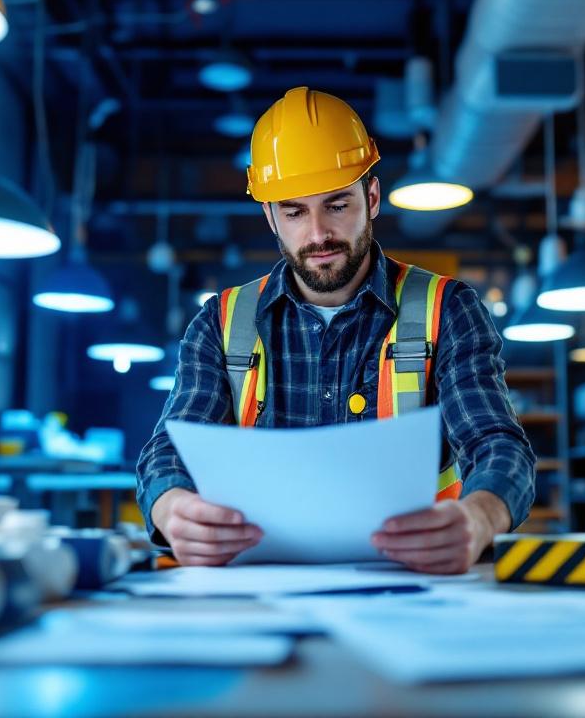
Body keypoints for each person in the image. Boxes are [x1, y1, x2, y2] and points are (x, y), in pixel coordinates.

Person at [136, 87, 534, 574]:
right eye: (295, 211)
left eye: (337, 204)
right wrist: (173, 509)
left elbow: (498, 444)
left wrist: (478, 517)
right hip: (259, 587)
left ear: (371, 197)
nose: (318, 233)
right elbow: (167, 451)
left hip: (414, 584)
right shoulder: (220, 323)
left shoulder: (446, 310)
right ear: (270, 217)